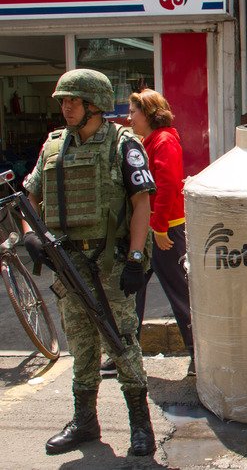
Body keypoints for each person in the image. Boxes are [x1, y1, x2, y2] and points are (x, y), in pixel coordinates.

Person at [21, 69, 157, 456]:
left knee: (122, 342)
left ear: (94, 104)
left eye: (74, 101)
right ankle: (85, 422)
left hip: (110, 261)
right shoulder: (53, 146)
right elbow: (31, 194)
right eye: (63, 101)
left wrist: (134, 258)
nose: (66, 107)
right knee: (80, 345)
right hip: (69, 261)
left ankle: (140, 425)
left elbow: (141, 203)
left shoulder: (122, 144)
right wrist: (31, 236)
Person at [100, 89, 195, 379]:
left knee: (180, 295)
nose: (129, 119)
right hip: (151, 229)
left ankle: (199, 354)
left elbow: (166, 187)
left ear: (150, 115)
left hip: (164, 230)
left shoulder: (163, 141)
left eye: (134, 113)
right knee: (131, 293)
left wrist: (161, 227)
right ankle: (124, 354)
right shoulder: (149, 141)